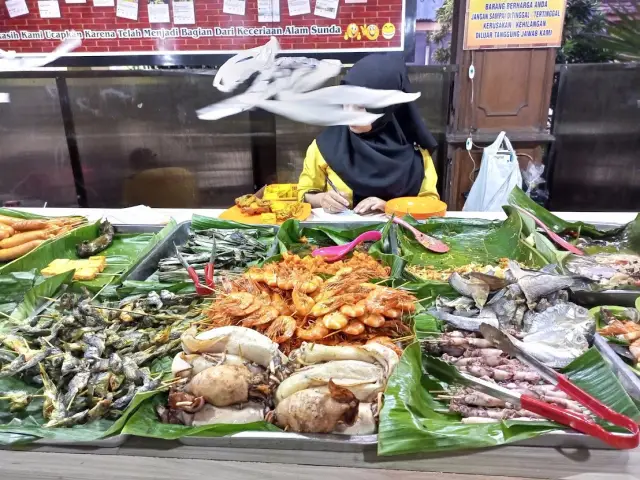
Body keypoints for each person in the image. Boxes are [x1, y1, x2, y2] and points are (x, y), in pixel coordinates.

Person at [297, 53, 439, 214]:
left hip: (398, 237)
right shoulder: (325, 147)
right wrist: (321, 199)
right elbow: (304, 193)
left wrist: (389, 208)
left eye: (359, 107)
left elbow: (430, 203)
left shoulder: (416, 154)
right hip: (340, 238)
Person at [123, 148, 198, 208]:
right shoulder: (183, 172)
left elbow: (131, 206)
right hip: (187, 217)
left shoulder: (135, 181)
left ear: (134, 165)